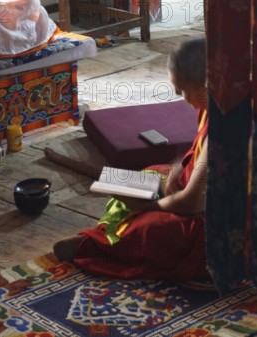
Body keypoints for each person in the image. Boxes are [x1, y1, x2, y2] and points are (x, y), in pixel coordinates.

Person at [53, 37, 209, 281]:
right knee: (146, 174)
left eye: (183, 90)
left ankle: (102, 245)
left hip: (211, 224)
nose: (181, 97)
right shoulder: (217, 102)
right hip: (194, 194)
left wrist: (149, 207)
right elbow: (196, 153)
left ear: (204, 84)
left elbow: (192, 204)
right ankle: (124, 226)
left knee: (146, 230)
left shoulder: (226, 127)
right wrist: (179, 169)